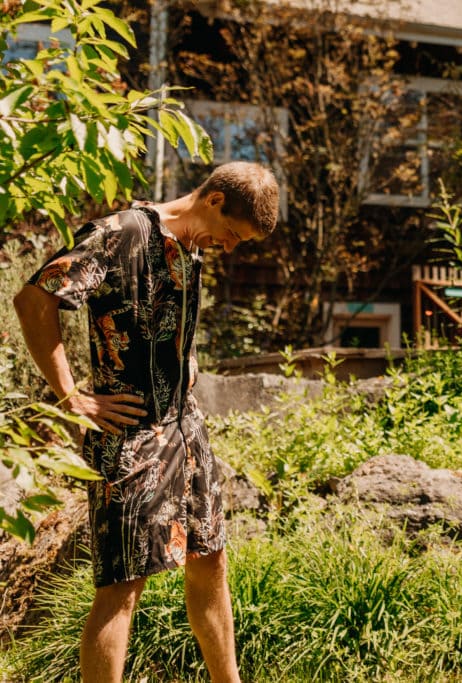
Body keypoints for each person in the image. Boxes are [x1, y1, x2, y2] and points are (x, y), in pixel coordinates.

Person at [13, 162, 279, 683]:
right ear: (215, 200)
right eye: (231, 235)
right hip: (129, 434)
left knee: (211, 561)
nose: (228, 248)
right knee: (122, 587)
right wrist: (70, 395)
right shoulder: (121, 235)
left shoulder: (191, 247)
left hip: (186, 426)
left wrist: (187, 358)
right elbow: (32, 299)